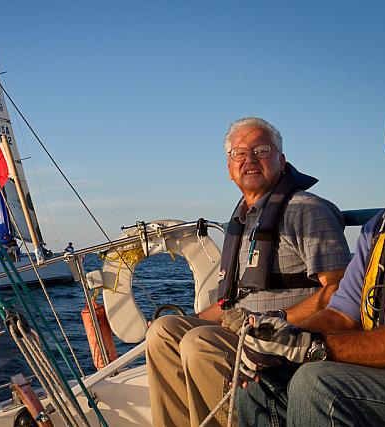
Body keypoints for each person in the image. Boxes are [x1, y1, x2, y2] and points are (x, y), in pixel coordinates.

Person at [235, 74, 385, 426]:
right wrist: (283, 340)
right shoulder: (381, 225)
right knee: (259, 381)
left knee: (317, 385)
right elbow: (343, 314)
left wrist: (316, 348)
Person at [146, 117, 351, 427]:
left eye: (261, 150)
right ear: (230, 170)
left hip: (281, 338)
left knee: (199, 342)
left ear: (282, 161)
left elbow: (338, 290)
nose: (249, 160)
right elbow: (232, 303)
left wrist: (278, 325)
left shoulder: (306, 210)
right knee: (164, 331)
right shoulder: (243, 222)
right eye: (239, 154)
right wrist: (188, 319)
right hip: (241, 329)